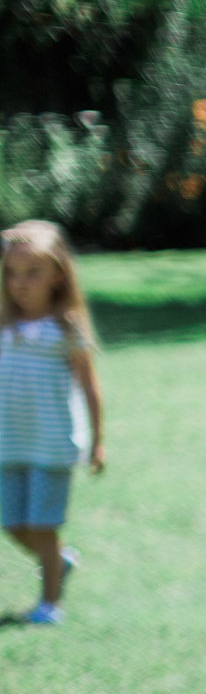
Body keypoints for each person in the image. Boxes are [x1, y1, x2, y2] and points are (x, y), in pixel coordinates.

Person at [0, 222, 103, 626]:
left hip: (52, 443)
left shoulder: (66, 328)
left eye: (32, 273)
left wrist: (99, 440)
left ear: (58, 274)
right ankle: (59, 562)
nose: (19, 284)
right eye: (11, 273)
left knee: (43, 525)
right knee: (12, 523)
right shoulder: (3, 325)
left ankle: (49, 603)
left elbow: (90, 385)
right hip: (8, 441)